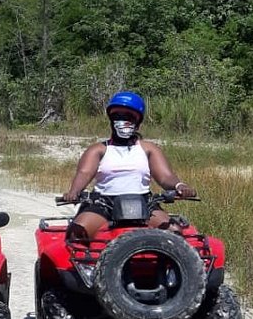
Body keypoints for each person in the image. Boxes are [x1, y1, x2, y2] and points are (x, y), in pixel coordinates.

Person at [58, 91, 197, 242]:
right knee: (77, 233)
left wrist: (180, 186)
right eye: (118, 116)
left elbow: (165, 176)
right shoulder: (98, 150)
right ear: (111, 119)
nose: (123, 121)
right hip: (104, 204)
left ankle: (167, 265)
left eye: (129, 117)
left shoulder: (148, 149)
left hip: (143, 203)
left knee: (173, 233)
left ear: (138, 122)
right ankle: (86, 265)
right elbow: (84, 173)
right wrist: (74, 191)